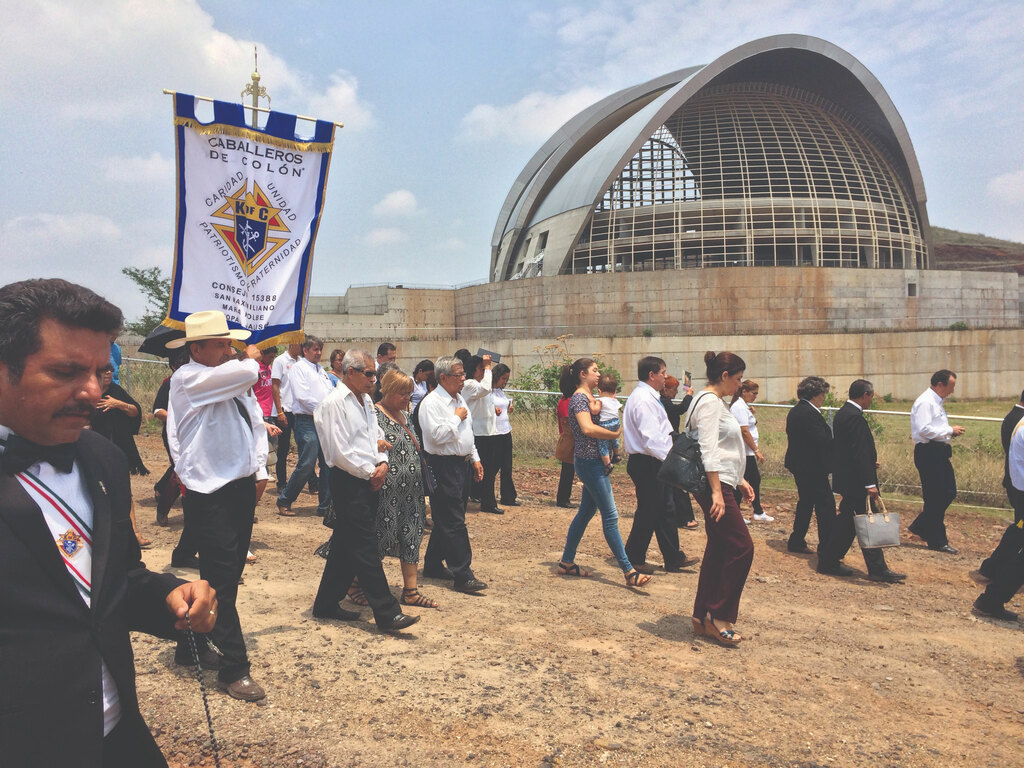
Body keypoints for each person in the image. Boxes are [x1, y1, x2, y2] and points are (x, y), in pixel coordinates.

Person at [0, 278, 217, 767]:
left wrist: (166, 595)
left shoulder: (102, 457)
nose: (94, 392)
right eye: (65, 372)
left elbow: (115, 576)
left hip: (118, 732)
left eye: (100, 371)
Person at [166, 311, 270, 701]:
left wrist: (258, 469)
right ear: (197, 349)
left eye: (230, 344)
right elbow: (249, 373)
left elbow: (253, 423)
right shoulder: (189, 377)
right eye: (222, 344)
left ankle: (187, 644)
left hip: (237, 487)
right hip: (210, 492)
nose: (229, 350)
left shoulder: (222, 379)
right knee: (223, 581)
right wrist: (251, 354)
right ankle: (234, 669)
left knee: (220, 576)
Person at [312, 350, 420, 632]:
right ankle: (387, 612)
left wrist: (382, 463)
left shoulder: (365, 403)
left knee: (346, 547)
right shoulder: (334, 404)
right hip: (349, 480)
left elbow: (378, 438)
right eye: (369, 373)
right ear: (350, 372)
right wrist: (370, 471)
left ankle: (325, 604)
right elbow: (338, 452)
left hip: (368, 477)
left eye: (375, 373)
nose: (374, 379)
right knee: (365, 546)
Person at [557, 357, 651, 589]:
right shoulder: (579, 398)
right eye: (594, 370)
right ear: (582, 374)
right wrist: (614, 435)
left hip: (593, 463)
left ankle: (567, 562)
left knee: (586, 512)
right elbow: (587, 428)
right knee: (610, 516)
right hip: (590, 464)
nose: (598, 374)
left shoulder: (590, 397)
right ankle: (629, 570)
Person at [685, 351, 755, 647]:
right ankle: (719, 615)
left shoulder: (707, 400)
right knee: (742, 547)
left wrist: (739, 479)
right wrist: (717, 490)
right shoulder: (711, 403)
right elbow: (708, 449)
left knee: (718, 546)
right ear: (724, 376)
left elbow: (723, 448)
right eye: (738, 379)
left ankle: (702, 615)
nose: (739, 386)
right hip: (715, 485)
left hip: (723, 482)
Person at [816, 380, 905, 582]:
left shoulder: (843, 414)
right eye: (871, 397)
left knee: (848, 522)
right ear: (865, 395)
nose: (871, 401)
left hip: (849, 479)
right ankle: (877, 569)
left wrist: (868, 465)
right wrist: (869, 483)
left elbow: (849, 451)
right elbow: (859, 452)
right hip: (857, 482)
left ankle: (828, 560)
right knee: (867, 522)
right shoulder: (854, 418)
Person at [622, 356, 698, 574]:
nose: (666, 376)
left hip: (653, 460)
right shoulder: (644, 400)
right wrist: (672, 461)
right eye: (663, 372)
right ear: (652, 375)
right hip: (649, 462)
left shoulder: (648, 397)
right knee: (649, 511)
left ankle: (673, 557)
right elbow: (651, 438)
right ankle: (634, 557)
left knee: (665, 509)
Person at [419, 355, 489, 594]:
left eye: (463, 374)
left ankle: (432, 564)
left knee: (449, 517)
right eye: (459, 375)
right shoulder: (432, 403)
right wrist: (455, 417)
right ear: (443, 377)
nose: (463, 379)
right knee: (454, 521)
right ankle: (463, 574)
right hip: (442, 465)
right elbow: (436, 436)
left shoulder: (459, 398)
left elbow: (467, 433)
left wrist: (475, 459)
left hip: (462, 464)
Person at [374, 370, 437, 607]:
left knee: (412, 536)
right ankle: (356, 583)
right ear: (387, 390)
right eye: (402, 393)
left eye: (409, 393)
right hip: (386, 493)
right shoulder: (374, 415)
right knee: (381, 538)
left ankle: (410, 591)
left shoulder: (406, 415)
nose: (407, 398)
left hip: (412, 492)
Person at [909, 370, 965, 554]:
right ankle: (937, 540)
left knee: (947, 493)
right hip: (929, 452)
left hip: (938, 452)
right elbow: (924, 429)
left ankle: (922, 525)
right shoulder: (926, 402)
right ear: (940, 384)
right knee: (936, 496)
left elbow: (933, 427)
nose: (952, 390)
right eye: (951, 386)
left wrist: (948, 433)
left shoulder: (935, 402)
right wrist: (949, 430)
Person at [276, 336, 333, 517]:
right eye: (314, 349)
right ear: (305, 350)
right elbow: (302, 396)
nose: (318, 353)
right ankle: (285, 499)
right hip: (306, 420)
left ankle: (325, 506)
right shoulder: (298, 369)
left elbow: (330, 393)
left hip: (323, 421)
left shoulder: (321, 371)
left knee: (327, 464)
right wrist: (324, 408)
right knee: (307, 463)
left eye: (319, 349)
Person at [784, 376, 835, 555]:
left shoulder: (797, 410)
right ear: (816, 395)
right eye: (823, 395)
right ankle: (828, 547)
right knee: (826, 505)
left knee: (806, 503)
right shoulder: (809, 413)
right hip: (812, 468)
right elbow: (821, 440)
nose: (823, 398)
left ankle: (797, 539)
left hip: (801, 466)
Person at [976, 392, 1024, 583]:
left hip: (1016, 483)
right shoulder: (1017, 420)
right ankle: (996, 571)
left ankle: (993, 568)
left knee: (1018, 531)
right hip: (1019, 485)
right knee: (1018, 532)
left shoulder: (1014, 418)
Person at [729, 380, 773, 523]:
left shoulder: (743, 406)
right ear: (744, 391)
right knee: (744, 481)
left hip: (746, 451)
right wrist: (756, 450)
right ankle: (745, 513)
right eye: (753, 393)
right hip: (744, 451)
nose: (755, 396)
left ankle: (755, 511)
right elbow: (744, 431)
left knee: (749, 480)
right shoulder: (739, 407)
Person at [464, 354, 502, 514]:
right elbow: (486, 388)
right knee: (484, 471)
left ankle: (478, 495)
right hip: (479, 434)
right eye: (481, 368)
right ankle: (488, 502)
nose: (484, 371)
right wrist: (488, 366)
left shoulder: (479, 385)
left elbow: (485, 396)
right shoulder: (469, 384)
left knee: (489, 470)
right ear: (473, 370)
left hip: (488, 432)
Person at [661, 375, 697, 530]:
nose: (676, 392)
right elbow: (680, 409)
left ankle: (682, 516)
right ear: (666, 389)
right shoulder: (663, 402)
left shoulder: (663, 401)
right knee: (678, 482)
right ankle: (685, 517)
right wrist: (688, 396)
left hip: (671, 442)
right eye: (674, 389)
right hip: (669, 443)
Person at [271, 341, 303, 487]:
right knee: (283, 448)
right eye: (300, 345)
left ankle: (310, 481)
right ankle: (282, 482)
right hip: (285, 410)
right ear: (292, 344)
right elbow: (275, 387)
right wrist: (279, 411)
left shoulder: (302, 362)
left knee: (305, 446)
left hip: (299, 410)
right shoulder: (280, 361)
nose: (302, 348)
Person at [491, 362, 519, 507]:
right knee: (493, 466)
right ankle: (485, 494)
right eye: (503, 379)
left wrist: (509, 408)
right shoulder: (487, 392)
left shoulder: (500, 392)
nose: (505, 382)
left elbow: (503, 406)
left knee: (507, 466)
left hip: (505, 430)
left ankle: (508, 497)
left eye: (506, 379)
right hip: (494, 432)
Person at [596, 372, 622, 472]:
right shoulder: (614, 400)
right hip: (616, 423)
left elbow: (595, 410)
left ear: (599, 390)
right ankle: (616, 454)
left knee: (603, 444)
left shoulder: (600, 400)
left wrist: (593, 403)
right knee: (613, 438)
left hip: (605, 424)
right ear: (614, 391)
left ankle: (608, 464)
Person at [554, 394, 576, 508]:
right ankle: (563, 498)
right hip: (570, 438)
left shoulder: (567, 400)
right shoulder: (566, 400)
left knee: (569, 469)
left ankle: (563, 498)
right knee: (568, 469)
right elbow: (567, 421)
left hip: (572, 437)